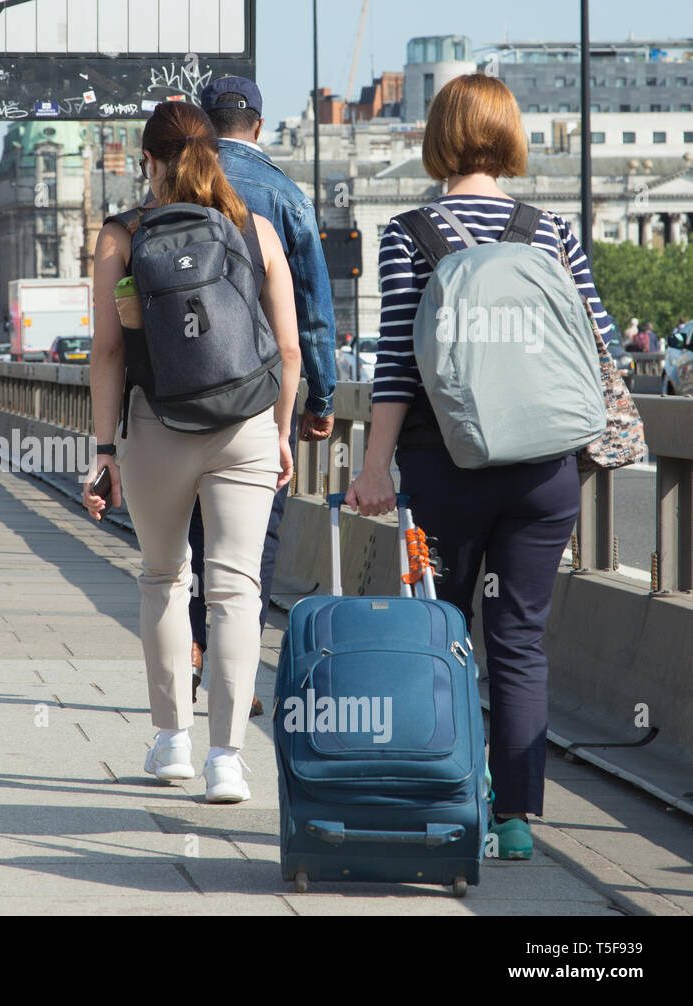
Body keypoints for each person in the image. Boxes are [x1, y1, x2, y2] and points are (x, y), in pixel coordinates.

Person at [344, 74, 613, 860]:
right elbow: (595, 345)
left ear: (437, 137)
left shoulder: (409, 232)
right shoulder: (550, 230)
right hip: (542, 471)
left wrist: (373, 469)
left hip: (444, 463)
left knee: (442, 634)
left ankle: (451, 795)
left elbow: (396, 361)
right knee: (521, 639)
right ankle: (518, 817)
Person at [84, 101, 300, 803]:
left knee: (163, 577)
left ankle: (172, 740)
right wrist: (282, 431)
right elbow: (290, 350)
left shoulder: (120, 236)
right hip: (245, 426)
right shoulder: (255, 229)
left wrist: (105, 447)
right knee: (238, 591)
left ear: (149, 161)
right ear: (216, 154)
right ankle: (228, 760)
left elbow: (110, 351)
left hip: (156, 425)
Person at [181, 75, 338, 707]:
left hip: (181, 395)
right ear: (260, 127)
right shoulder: (285, 195)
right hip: (260, 391)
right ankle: (235, 671)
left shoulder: (175, 184)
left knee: (190, 533)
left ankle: (192, 647)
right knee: (251, 539)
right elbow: (312, 312)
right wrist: (319, 402)